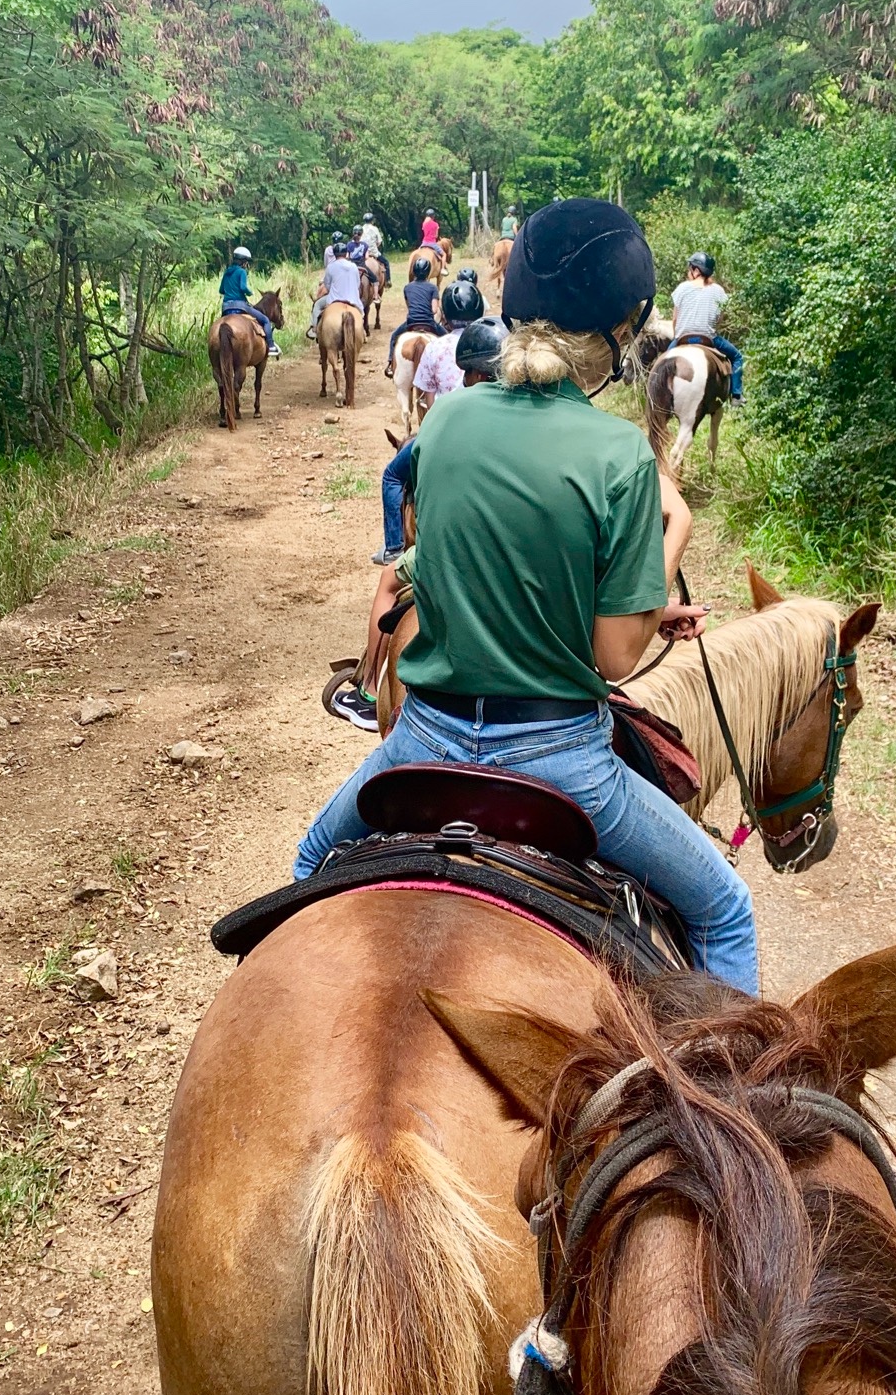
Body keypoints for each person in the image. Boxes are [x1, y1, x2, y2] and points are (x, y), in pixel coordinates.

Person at [297, 198, 759, 993]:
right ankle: (728, 1107)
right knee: (726, 910)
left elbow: (474, 569)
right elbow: (614, 655)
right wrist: (658, 571)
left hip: (428, 741)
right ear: (621, 331)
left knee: (310, 861)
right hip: (563, 763)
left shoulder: (444, 426)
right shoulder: (619, 451)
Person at [337, 315, 508, 729]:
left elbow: (421, 401)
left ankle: (368, 689)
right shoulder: (534, 419)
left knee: (389, 581)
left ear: (469, 373)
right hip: (517, 548)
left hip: (453, 548)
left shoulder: (447, 413)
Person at [671, 251, 742, 403]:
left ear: (696, 271)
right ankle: (736, 395)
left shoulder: (683, 288)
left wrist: (676, 336)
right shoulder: (719, 291)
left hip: (683, 337)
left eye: (690, 268)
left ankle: (656, 396)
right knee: (737, 357)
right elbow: (720, 319)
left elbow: (675, 318)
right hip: (708, 338)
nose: (688, 272)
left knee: (661, 364)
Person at [413, 277, 485, 416]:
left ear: (445, 316)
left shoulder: (433, 348)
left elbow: (430, 397)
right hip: (480, 419)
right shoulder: (489, 345)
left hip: (444, 420)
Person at [383, 252, 445, 376]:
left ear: (414, 272)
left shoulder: (407, 287)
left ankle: (390, 363)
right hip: (429, 323)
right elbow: (434, 310)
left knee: (394, 337)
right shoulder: (433, 288)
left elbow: (409, 305)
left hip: (411, 323)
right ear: (428, 273)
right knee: (447, 339)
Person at [218, 246, 280, 356]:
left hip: (226, 307)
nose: (247, 264)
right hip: (240, 305)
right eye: (246, 262)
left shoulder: (227, 272)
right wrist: (249, 292)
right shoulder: (242, 272)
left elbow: (221, 290)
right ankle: (271, 346)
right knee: (265, 320)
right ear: (243, 261)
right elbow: (243, 287)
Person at [309, 240, 364, 338]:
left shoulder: (330, 267)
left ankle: (314, 329)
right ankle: (362, 330)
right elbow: (357, 284)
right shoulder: (354, 266)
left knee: (317, 305)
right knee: (361, 313)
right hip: (353, 299)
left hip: (335, 299)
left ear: (334, 254)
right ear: (346, 253)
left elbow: (327, 285)